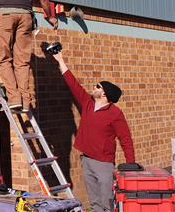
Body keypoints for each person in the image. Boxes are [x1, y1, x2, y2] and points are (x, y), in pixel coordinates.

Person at [52, 51, 135, 212]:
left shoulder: (115, 113)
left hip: (103, 163)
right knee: (94, 202)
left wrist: (130, 164)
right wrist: (60, 60)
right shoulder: (87, 103)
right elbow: (72, 83)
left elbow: (126, 139)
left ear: (104, 94)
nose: (94, 87)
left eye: (98, 86)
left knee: (107, 202)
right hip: (87, 160)